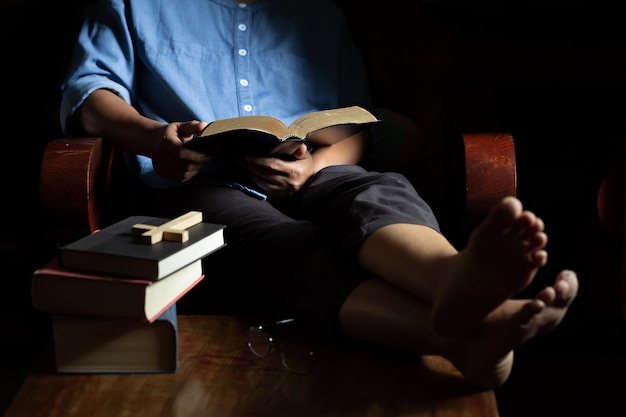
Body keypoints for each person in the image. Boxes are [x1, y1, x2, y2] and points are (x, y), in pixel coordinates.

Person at [60, 0, 578, 389]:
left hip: (316, 165)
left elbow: (357, 119)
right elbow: (89, 91)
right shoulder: (134, 3)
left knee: (379, 190)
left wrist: (317, 166)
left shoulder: (318, 12)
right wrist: (154, 139)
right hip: (204, 183)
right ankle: (467, 336)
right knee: (276, 241)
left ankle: (452, 281)